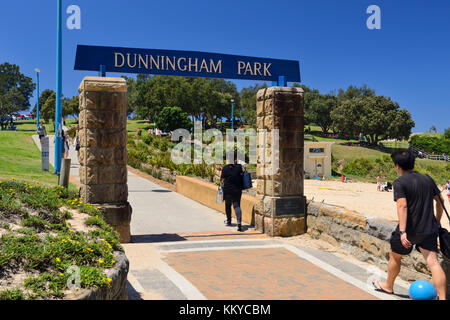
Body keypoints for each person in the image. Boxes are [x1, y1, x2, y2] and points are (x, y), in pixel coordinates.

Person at [372, 149, 446, 300]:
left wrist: (402, 231)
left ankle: (388, 286)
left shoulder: (399, 182)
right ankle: (443, 298)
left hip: (410, 230)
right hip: (429, 228)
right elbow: (441, 202)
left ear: (397, 166)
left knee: (395, 255)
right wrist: (437, 221)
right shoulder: (427, 178)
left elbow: (402, 206)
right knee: (433, 263)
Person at [220, 153, 244, 232]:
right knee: (237, 206)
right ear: (235, 158)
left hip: (227, 190)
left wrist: (221, 171)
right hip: (237, 190)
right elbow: (241, 175)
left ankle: (229, 220)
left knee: (228, 205)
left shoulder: (225, 168)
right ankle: (239, 222)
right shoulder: (239, 167)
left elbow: (222, 179)